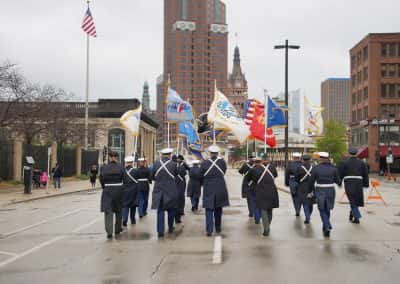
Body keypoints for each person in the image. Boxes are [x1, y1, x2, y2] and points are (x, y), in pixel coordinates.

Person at [308, 152, 341, 238]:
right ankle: (326, 226)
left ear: (320, 159)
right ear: (328, 158)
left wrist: (310, 191)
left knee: (322, 209)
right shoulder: (334, 168)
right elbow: (338, 180)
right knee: (327, 208)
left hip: (320, 190)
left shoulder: (316, 168)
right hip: (330, 190)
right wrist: (338, 182)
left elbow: (311, 181)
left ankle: (327, 225)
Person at [200, 145, 230, 237]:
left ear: (210, 153)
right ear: (217, 153)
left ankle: (209, 230)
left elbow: (201, 174)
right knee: (218, 209)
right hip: (220, 187)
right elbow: (224, 172)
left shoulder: (204, 163)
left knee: (209, 209)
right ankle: (218, 228)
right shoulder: (222, 162)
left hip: (208, 188)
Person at [248, 153, 279, 236]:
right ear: (268, 159)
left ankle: (266, 228)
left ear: (261, 160)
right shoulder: (272, 167)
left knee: (263, 209)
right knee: (270, 209)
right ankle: (268, 225)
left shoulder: (255, 169)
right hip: (272, 191)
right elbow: (275, 175)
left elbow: (251, 179)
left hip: (261, 191)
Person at [151, 148, 178, 238]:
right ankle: (170, 227)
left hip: (159, 190)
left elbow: (152, 176)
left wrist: (159, 180)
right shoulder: (174, 164)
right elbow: (176, 175)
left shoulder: (156, 164)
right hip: (170, 190)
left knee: (160, 211)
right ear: (170, 155)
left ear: (162, 155)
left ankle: (160, 231)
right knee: (171, 210)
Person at [339, 147, 369, 224]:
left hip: (349, 182)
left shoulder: (344, 163)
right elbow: (365, 174)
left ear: (349, 153)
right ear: (356, 153)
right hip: (359, 182)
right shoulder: (362, 163)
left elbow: (341, 174)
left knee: (352, 200)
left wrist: (339, 182)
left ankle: (357, 217)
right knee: (356, 200)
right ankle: (352, 213)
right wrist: (366, 184)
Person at [99, 151, 125, 239]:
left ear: (109, 158)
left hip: (107, 190)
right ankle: (117, 229)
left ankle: (109, 232)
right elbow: (124, 179)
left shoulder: (104, 167)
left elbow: (101, 179)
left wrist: (105, 187)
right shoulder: (121, 167)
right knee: (118, 210)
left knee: (108, 211)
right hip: (118, 190)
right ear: (117, 158)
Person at [295, 154, 315, 224]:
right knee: (311, 202)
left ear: (303, 160)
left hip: (302, 187)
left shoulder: (299, 168)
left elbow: (296, 179)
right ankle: (309, 214)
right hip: (311, 186)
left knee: (305, 203)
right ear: (310, 160)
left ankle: (307, 217)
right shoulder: (313, 167)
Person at [122, 156, 139, 227]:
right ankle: (132, 220)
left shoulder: (122, 171)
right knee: (133, 206)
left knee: (125, 206)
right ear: (132, 163)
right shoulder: (135, 171)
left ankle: (125, 219)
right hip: (134, 191)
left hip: (125, 191)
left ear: (126, 163)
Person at [174, 154, 188, 223]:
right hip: (176, 182)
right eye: (177, 159)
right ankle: (179, 211)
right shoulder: (175, 165)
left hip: (182, 181)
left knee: (181, 196)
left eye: (179, 159)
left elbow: (187, 170)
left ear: (181, 159)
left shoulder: (183, 165)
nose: (178, 160)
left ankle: (181, 210)